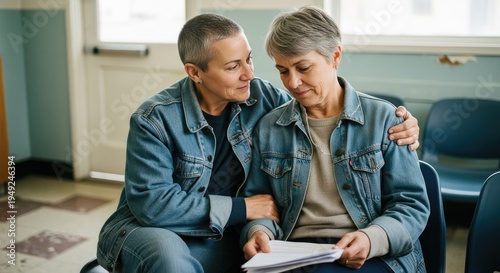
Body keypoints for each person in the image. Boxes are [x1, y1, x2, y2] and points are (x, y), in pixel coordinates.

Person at [96, 12, 421, 273]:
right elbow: (154, 206)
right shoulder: (154, 119)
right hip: (159, 228)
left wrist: (400, 122)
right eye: (233, 66)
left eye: (249, 60)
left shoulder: (266, 100)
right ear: (195, 73)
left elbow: (328, 98)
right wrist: (247, 215)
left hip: (224, 232)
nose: (249, 74)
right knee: (169, 259)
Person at [241, 6, 430, 273]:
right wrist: (258, 232)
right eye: (283, 71)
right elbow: (260, 203)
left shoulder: (385, 119)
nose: (293, 82)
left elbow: (411, 204)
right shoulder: (270, 128)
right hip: (296, 253)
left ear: (335, 56)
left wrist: (371, 238)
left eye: (303, 67)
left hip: (375, 253)